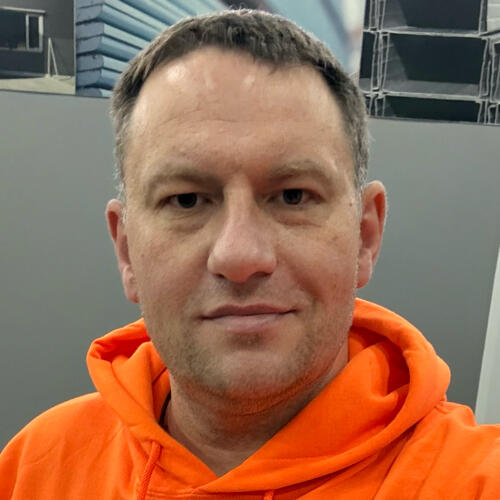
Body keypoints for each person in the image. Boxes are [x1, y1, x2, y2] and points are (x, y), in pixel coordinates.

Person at [1, 9, 499, 499]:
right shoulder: (36, 466)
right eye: (187, 200)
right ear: (127, 250)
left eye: (293, 196)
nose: (239, 257)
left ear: (365, 236)